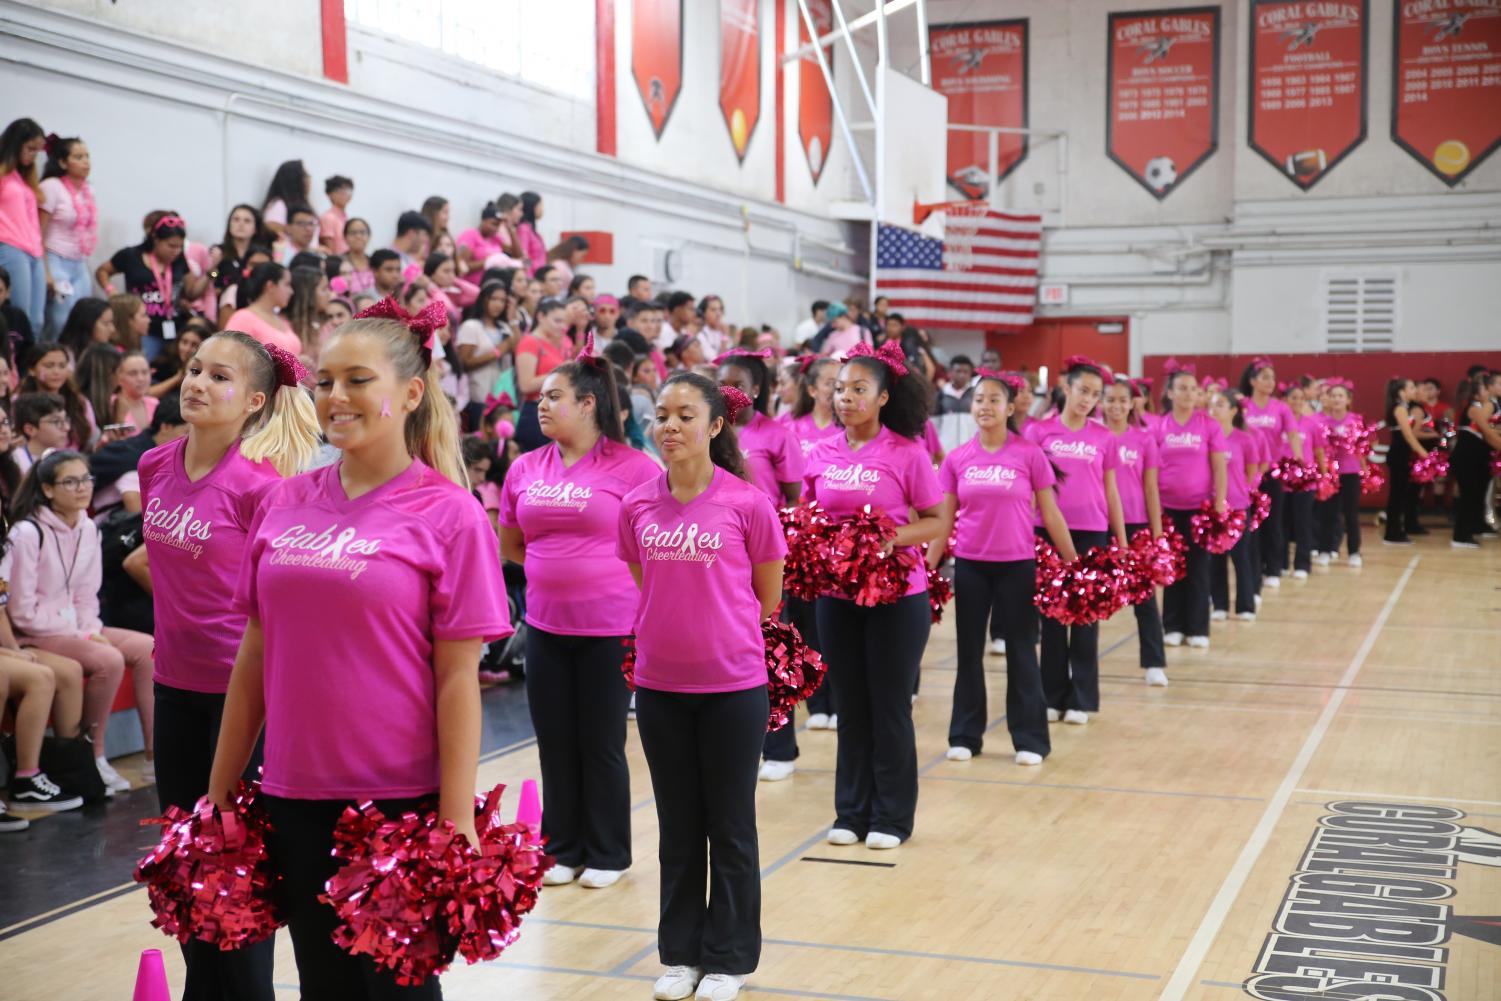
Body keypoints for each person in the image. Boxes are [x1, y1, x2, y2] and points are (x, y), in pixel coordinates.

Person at [205, 300, 510, 999]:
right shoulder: (284, 501)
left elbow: (459, 678)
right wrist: (222, 784)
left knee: (395, 989)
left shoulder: (450, 513)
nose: (335, 397)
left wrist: (456, 815)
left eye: (357, 380)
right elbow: (254, 650)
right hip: (293, 789)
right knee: (324, 984)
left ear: (408, 393)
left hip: (398, 799)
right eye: (324, 380)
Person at [136, 331, 318, 1000]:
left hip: (244, 701)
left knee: (237, 873)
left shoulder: (262, 487)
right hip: (173, 689)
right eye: (193, 369)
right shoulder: (155, 466)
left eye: (220, 376)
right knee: (185, 862)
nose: (197, 383)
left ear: (254, 402)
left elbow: (280, 608)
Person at [617, 371, 784, 1001]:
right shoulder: (636, 503)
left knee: (731, 825)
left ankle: (731, 958)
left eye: (686, 416)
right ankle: (681, 954)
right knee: (677, 824)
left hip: (734, 688)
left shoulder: (747, 503)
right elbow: (644, 580)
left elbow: (767, 597)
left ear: (715, 427)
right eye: (662, 415)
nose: (670, 427)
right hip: (660, 688)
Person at [499, 340, 657, 889]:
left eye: (554, 396)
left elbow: (651, 544)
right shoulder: (524, 467)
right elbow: (512, 543)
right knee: (555, 738)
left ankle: (609, 852)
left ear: (590, 404)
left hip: (610, 627)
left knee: (601, 740)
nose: (540, 406)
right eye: (540, 397)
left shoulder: (635, 467)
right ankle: (562, 847)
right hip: (544, 625)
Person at [804, 343, 943, 849]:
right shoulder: (821, 452)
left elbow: (935, 520)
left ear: (883, 397)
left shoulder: (907, 452)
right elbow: (810, 514)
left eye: (859, 389)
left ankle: (891, 817)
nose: (846, 397)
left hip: (897, 597)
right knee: (850, 705)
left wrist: (888, 539)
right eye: (840, 388)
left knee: (888, 706)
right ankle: (851, 812)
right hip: (836, 596)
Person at [936, 371, 1075, 766]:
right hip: (970, 565)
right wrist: (929, 569)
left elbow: (1050, 513)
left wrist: (1073, 564)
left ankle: (1029, 738)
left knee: (1021, 652)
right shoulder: (957, 458)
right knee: (968, 652)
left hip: (1017, 565)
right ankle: (965, 734)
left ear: (1010, 407)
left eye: (994, 400)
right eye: (979, 399)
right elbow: (943, 522)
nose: (985, 406)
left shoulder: (1028, 454)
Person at [5, 449, 156, 793]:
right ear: (46, 489)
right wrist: (82, 634)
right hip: (35, 631)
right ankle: (95, 756)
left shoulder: (87, 526)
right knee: (107, 658)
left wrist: (88, 629)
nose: (81, 488)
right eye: (69, 482)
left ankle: (152, 755)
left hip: (75, 625)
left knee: (148, 647)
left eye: (85, 480)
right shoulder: (28, 533)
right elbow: (22, 610)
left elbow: (88, 594)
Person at [1025, 358, 1128, 718]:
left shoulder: (1105, 437)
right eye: (1083, 391)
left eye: (1095, 395)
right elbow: (1030, 488)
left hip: (1092, 532)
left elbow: (1112, 491)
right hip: (1047, 532)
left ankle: (1081, 698)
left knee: (1086, 617)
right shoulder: (1039, 432)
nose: (1088, 399)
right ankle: (1052, 695)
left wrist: (1122, 539)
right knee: (1052, 617)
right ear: (1066, 388)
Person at [1154, 368, 1229, 649]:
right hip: (1167, 509)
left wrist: (1219, 502)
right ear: (1170, 393)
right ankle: (1172, 625)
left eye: (1193, 389)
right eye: (1182, 388)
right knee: (1172, 568)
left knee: (1198, 568)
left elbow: (1219, 466)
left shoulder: (1209, 425)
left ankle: (1198, 628)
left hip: (1200, 508)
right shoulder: (1159, 426)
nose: (1188, 393)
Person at [1101, 378, 1167, 685]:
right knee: (1090, 595)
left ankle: (1154, 662)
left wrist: (1156, 534)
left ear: (1132, 404)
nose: (1116, 406)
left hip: (1136, 523)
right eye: (1110, 399)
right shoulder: (1094, 437)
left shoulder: (1144, 439)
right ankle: (1077, 664)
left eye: (1122, 400)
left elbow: (1151, 488)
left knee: (1144, 597)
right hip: (1098, 524)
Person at [96, 214, 206, 361]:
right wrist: (111, 291)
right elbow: (102, 271)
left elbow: (190, 292)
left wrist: (211, 272)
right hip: (144, 330)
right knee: (143, 365)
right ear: (155, 239)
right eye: (171, 246)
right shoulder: (131, 255)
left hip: (175, 327)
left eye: (180, 247)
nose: (176, 251)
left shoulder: (179, 260)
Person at [1240, 359, 1303, 588]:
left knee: (1274, 521)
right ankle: (1254, 567)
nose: (1270, 382)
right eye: (1265, 377)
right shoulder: (1243, 405)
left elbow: (1293, 434)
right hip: (1247, 473)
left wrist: (1297, 460)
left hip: (1273, 471)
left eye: (1272, 377)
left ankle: (1274, 568)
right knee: (1251, 522)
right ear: (1252, 381)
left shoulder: (1280, 407)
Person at [38, 134, 98, 341]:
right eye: (79, 157)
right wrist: (45, 271)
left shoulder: (88, 189)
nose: (86, 162)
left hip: (78, 262)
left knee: (84, 318)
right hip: (55, 258)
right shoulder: (51, 186)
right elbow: (39, 232)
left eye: (87, 156)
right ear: (62, 162)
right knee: (58, 320)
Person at [1208, 388, 1261, 622]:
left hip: (1238, 506)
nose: (1214, 409)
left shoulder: (1244, 439)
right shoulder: (1208, 438)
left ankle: (1245, 605)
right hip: (1212, 506)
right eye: (1212, 405)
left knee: (1241, 557)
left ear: (1232, 410)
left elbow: (1251, 471)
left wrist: (1237, 491)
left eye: (1220, 404)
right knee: (1216, 558)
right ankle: (1219, 604)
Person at [0, 119, 47, 336]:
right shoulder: (3, 175)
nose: (33, 155)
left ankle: (30, 365)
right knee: (20, 314)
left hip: (34, 251)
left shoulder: (24, 179)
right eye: (30, 149)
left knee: (36, 320)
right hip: (10, 245)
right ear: (15, 144)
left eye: (37, 151)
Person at [1313, 380, 1365, 566]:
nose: (1336, 399)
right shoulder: (1319, 422)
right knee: (1328, 513)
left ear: (1348, 400)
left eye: (1340, 396)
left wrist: (1365, 469)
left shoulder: (1355, 420)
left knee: (1351, 513)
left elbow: (1362, 449)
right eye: (1333, 395)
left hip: (1351, 472)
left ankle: (1354, 552)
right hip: (1330, 473)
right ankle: (1325, 550)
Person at [514, 298, 574, 452]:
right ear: (541, 316)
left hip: (555, 411)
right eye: (557, 321)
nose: (562, 326)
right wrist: (559, 371)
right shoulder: (530, 342)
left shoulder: (557, 343)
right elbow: (526, 384)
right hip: (535, 412)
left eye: (564, 322)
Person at [1282, 383, 1328, 579]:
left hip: (1305, 480)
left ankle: (1302, 564)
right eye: (1294, 398)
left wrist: (1324, 475)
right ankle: (1280, 564)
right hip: (1281, 480)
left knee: (1303, 522)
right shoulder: (1279, 423)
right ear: (1285, 401)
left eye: (1301, 398)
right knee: (1281, 523)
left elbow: (1319, 451)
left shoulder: (1311, 424)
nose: (1298, 402)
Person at [1450, 373, 1501, 548]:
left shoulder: (1477, 407)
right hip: (1464, 459)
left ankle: (1468, 531)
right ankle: (1460, 537)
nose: (1488, 392)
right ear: (1476, 393)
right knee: (1468, 496)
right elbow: (1487, 432)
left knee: (1473, 495)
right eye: (1485, 389)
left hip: (1471, 459)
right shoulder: (1473, 409)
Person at [20, 343, 96, 451]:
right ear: (32, 370)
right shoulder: (19, 403)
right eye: (49, 366)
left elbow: (90, 439)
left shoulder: (80, 402)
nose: (56, 372)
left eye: (62, 366)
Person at [1381, 378, 1428, 546]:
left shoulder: (1405, 407)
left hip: (1402, 455)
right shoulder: (1400, 408)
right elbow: (1408, 435)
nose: (1414, 389)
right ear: (1401, 392)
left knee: (1400, 495)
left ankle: (1396, 531)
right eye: (1411, 387)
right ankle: (1392, 534)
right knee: (1397, 496)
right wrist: (1422, 452)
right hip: (1398, 455)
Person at [225, 262, 300, 356]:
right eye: (287, 284)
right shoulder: (243, 318)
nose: (291, 291)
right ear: (270, 286)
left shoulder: (282, 320)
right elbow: (231, 356)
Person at [261, 160, 313, 239]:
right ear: (294, 180)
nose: (309, 179)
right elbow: (275, 237)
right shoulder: (278, 206)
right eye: (305, 176)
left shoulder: (303, 205)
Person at [319, 176, 354, 256]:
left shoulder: (345, 217)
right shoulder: (328, 217)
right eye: (340, 190)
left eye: (347, 190)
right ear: (329, 194)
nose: (344, 194)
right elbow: (329, 249)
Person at [517, 191, 547, 274]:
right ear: (532, 207)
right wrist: (528, 276)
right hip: (531, 277)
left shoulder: (531, 230)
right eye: (540, 205)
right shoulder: (524, 229)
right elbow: (523, 256)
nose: (542, 209)